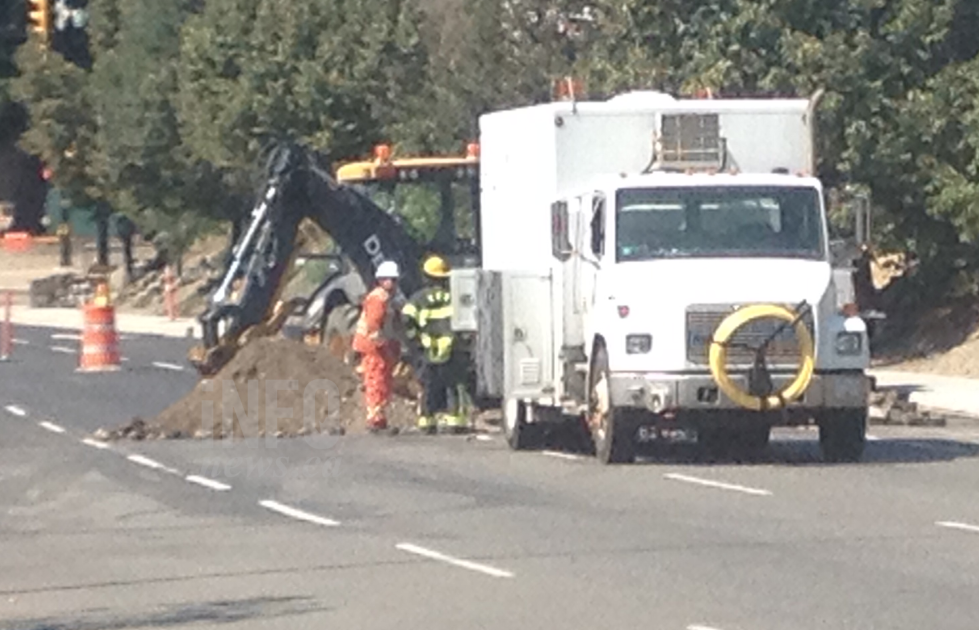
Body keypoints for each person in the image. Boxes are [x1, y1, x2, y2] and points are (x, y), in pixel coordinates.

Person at [402, 254, 469, 434]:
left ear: (426, 276)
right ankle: (455, 421)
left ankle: (427, 421)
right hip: (451, 349)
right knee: (453, 385)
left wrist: (415, 340)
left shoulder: (418, 298)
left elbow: (407, 319)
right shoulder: (454, 297)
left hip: (428, 349)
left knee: (428, 386)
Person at [352, 260, 402, 432]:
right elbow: (374, 324)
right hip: (372, 346)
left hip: (377, 345)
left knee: (382, 379)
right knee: (376, 379)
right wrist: (381, 344)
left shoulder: (386, 298)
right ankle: (374, 417)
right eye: (389, 279)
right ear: (380, 280)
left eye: (394, 280)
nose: (392, 283)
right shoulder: (379, 298)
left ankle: (379, 416)